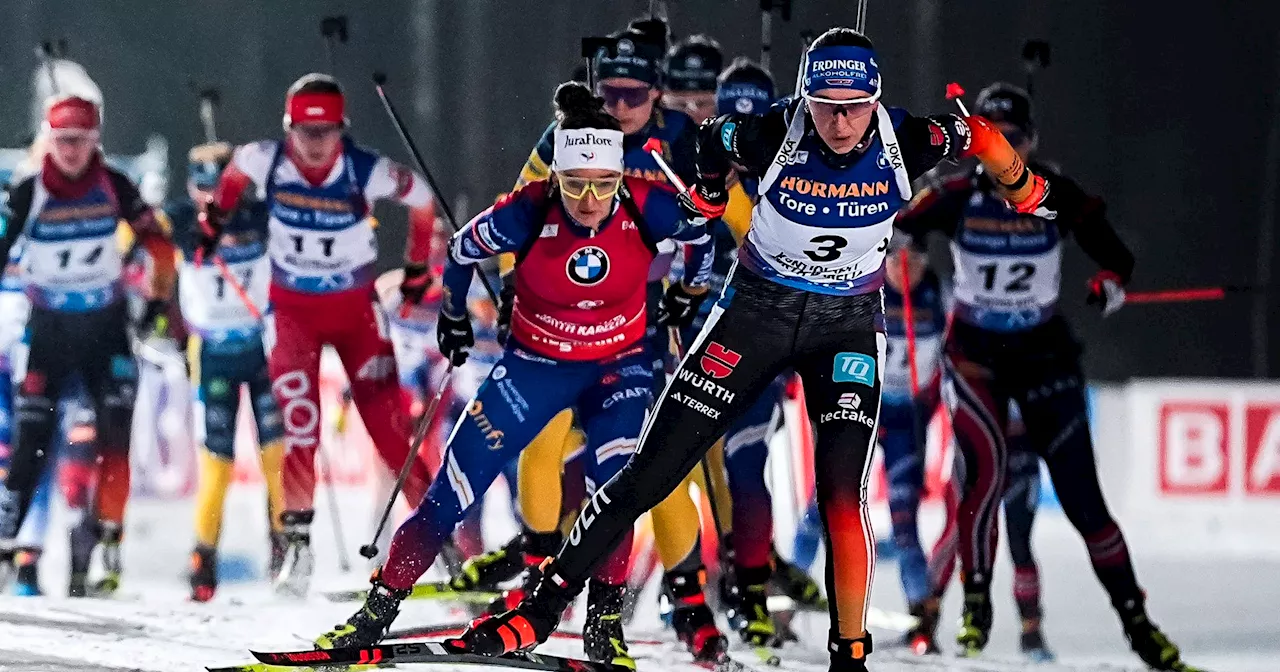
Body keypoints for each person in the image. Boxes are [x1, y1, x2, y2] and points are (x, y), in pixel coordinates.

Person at [451, 27, 1055, 672]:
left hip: (844, 326)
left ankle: (849, 656)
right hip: (755, 315)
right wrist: (708, 196)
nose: (842, 121)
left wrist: (1023, 187)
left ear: (876, 98)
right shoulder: (770, 132)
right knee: (652, 469)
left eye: (855, 104)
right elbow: (713, 141)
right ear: (804, 99)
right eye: (826, 104)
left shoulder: (908, 137)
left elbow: (984, 134)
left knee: (840, 493)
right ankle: (540, 609)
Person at [317, 82, 712, 669]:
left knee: (616, 493)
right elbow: (459, 251)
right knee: (450, 491)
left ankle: (605, 624)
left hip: (618, 369)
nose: (587, 199)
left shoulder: (646, 203)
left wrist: (688, 290)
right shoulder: (527, 207)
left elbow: (701, 234)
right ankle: (376, 612)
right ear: (554, 179)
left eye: (602, 185)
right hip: (536, 367)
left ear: (619, 179)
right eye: (574, 184)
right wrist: (452, 316)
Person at [894, 82, 1194, 671]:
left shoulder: (1053, 192)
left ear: (1032, 143)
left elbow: (1114, 252)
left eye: (1015, 141)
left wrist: (1110, 283)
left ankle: (1138, 624)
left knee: (1084, 502)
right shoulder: (956, 193)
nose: (1004, 154)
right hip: (977, 358)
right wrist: (895, 245)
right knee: (981, 478)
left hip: (1045, 361)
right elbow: (895, 221)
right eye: (991, 140)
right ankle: (975, 603)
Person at [466, 19, 730, 661]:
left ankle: (687, 596)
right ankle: (538, 570)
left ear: (658, 93)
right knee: (541, 444)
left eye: (633, 97)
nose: (618, 108)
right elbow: (519, 209)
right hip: (563, 325)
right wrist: (511, 293)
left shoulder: (685, 141)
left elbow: (732, 222)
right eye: (608, 95)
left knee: (661, 465)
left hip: (647, 326)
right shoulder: (567, 138)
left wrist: (696, 295)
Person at [204, 73, 440, 597]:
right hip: (292, 314)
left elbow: (423, 199)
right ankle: (299, 553)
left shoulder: (364, 169)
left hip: (356, 313)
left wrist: (418, 268)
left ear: (341, 130)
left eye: (326, 133)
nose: (314, 146)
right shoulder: (264, 158)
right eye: (305, 134)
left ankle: (435, 546)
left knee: (391, 432)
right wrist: (215, 217)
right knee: (302, 427)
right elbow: (235, 174)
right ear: (288, 129)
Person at [0, 95, 177, 598]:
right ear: (47, 140)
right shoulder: (27, 192)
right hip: (50, 332)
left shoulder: (115, 186)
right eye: (61, 141)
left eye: (80, 141)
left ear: (96, 139)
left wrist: (157, 301)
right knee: (32, 439)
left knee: (114, 437)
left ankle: (103, 546)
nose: (71, 152)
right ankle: (7, 544)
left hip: (105, 329)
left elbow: (158, 244)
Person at [169, 141, 286, 602]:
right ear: (190, 188)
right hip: (212, 351)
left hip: (263, 349)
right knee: (216, 461)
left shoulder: (259, 214)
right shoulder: (181, 217)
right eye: (203, 189)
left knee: (275, 456)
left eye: (220, 188)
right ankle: (204, 560)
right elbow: (177, 237)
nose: (212, 198)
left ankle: (284, 548)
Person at [917, 400, 1052, 661]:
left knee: (1020, 544)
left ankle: (1031, 632)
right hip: (973, 458)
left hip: (1019, 461)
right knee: (955, 535)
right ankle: (926, 620)